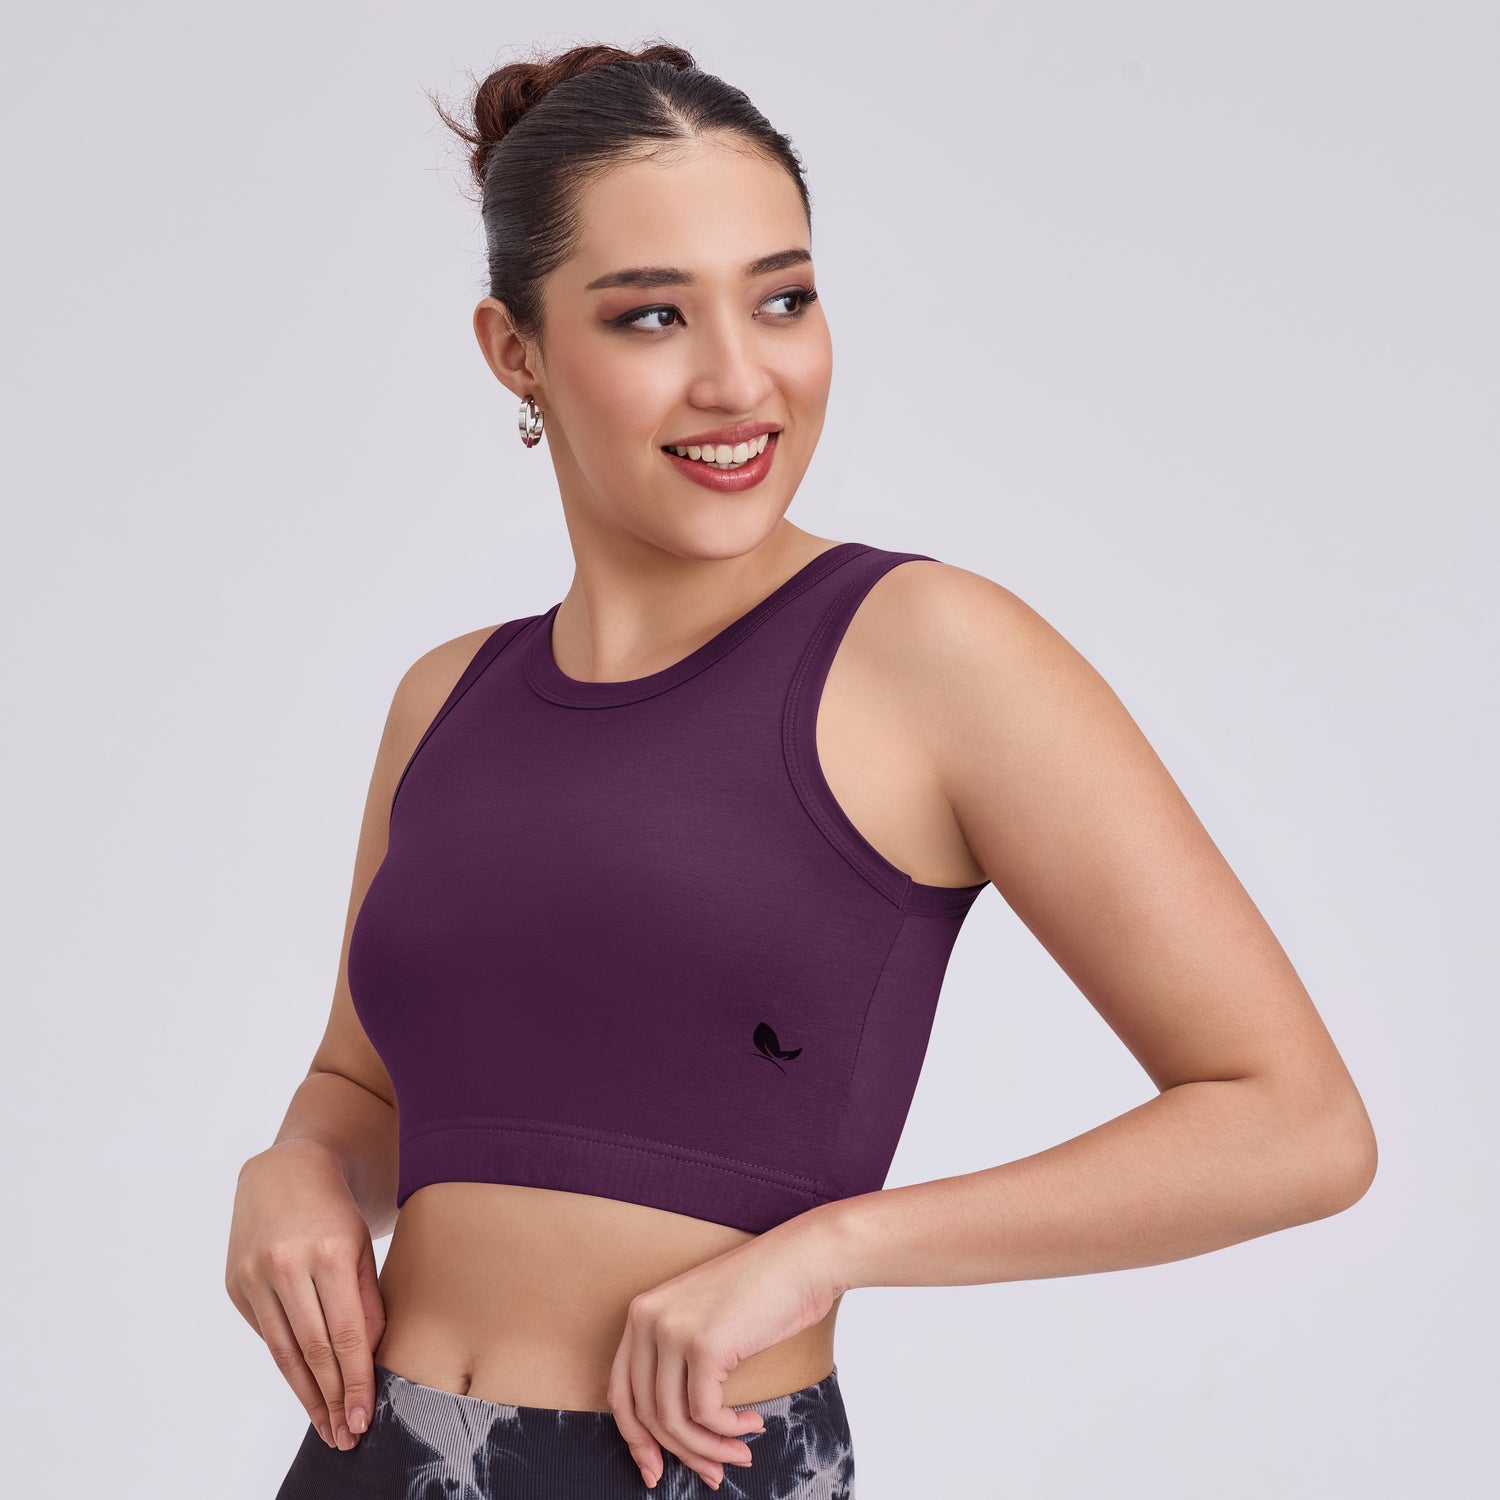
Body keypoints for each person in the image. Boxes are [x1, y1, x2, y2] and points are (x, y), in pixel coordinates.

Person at [226, 38, 1378, 1500]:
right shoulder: (445, 698)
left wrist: (828, 1251)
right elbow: (370, 1086)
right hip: (367, 1457)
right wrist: (295, 1166)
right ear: (515, 351)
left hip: (692, 1468)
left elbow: (1295, 1124)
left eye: (782, 298)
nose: (739, 378)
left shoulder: (928, 651)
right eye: (651, 316)